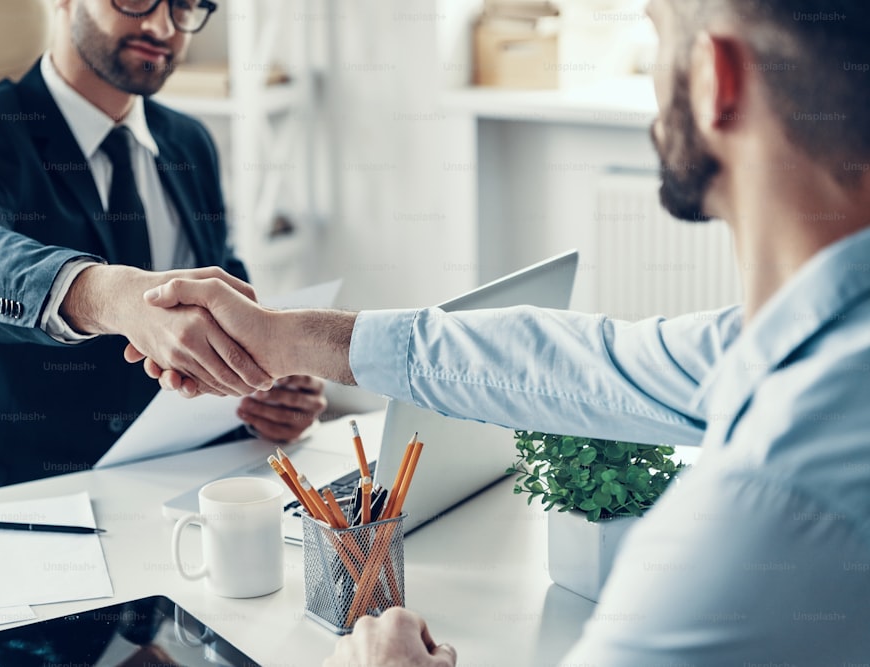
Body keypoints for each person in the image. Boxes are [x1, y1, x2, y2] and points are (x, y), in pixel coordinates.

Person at [128, 0, 870, 663]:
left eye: (657, 31)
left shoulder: (766, 505)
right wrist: (286, 337)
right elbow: (593, 364)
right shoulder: (807, 341)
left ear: (715, 79)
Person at [0, 0, 326, 506]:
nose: (162, 27)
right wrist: (113, 296)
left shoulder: (189, 144)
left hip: (159, 485)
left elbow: (224, 289)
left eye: (184, 7)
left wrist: (263, 380)